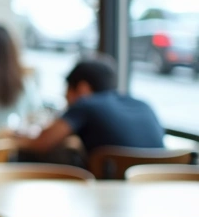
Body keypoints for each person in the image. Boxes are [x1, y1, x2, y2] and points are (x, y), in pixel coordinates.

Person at [21, 56, 165, 154]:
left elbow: (41, 143)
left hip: (110, 187)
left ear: (83, 88)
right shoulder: (143, 105)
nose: (65, 98)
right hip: (157, 185)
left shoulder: (86, 104)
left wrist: (15, 139)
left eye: (67, 90)